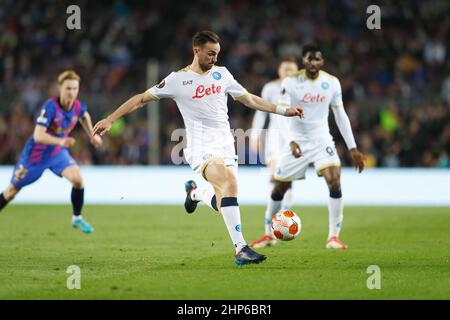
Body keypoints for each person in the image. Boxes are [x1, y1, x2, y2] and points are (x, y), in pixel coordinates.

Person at [93, 31, 303, 265]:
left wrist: (283, 110)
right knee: (229, 184)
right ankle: (241, 249)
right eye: (211, 53)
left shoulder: (222, 74)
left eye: (217, 54)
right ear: (196, 50)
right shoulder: (177, 80)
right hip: (200, 147)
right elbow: (141, 99)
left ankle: (196, 193)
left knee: (225, 197)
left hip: (226, 145)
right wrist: (111, 119)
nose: (214, 58)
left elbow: (250, 99)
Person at [252, 44, 365, 249]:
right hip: (296, 139)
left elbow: (340, 115)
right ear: (303, 62)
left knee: (335, 180)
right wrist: (290, 141)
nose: (313, 63)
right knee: (279, 187)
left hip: (322, 140)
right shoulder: (291, 83)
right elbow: (283, 114)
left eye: (317, 59)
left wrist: (353, 147)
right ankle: (268, 233)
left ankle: (333, 237)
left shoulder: (331, 83)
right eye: (309, 59)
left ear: (322, 62)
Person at [0, 70, 103, 233]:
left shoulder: (77, 106)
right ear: (60, 88)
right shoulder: (50, 107)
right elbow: (38, 135)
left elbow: (84, 115)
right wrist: (61, 141)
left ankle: (77, 218)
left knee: (78, 180)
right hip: (35, 156)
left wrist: (92, 135)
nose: (72, 92)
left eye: (75, 89)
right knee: (11, 192)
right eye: (68, 88)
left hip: (56, 153)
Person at [249, 58, 299, 249]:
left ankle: (281, 221)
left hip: (295, 139)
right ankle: (271, 230)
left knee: (286, 181)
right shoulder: (270, 88)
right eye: (284, 68)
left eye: (291, 69)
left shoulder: (302, 89)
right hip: (274, 140)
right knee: (275, 179)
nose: (287, 71)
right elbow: (260, 112)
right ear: (279, 71)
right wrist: (254, 136)